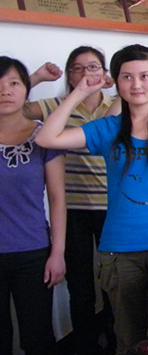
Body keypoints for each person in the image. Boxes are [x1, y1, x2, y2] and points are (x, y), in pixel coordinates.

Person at [36, 45, 148, 355]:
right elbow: (47, 138)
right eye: (127, 77)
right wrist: (79, 92)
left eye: (144, 76)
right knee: (127, 338)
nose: (136, 85)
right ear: (117, 81)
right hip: (120, 249)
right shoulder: (107, 128)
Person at [25, 46, 116, 355]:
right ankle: (86, 345)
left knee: (114, 282)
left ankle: (116, 343)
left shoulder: (117, 106)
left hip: (111, 208)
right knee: (80, 285)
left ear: (104, 73)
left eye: (93, 67)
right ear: (69, 75)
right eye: (78, 68)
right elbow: (10, 107)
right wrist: (37, 77)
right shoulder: (56, 106)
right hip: (72, 210)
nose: (86, 73)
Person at [0, 57, 66, 355]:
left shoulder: (43, 136)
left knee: (37, 337)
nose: (5, 91)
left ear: (26, 89)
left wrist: (58, 253)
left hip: (32, 252)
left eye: (14, 83)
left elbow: (57, 199)